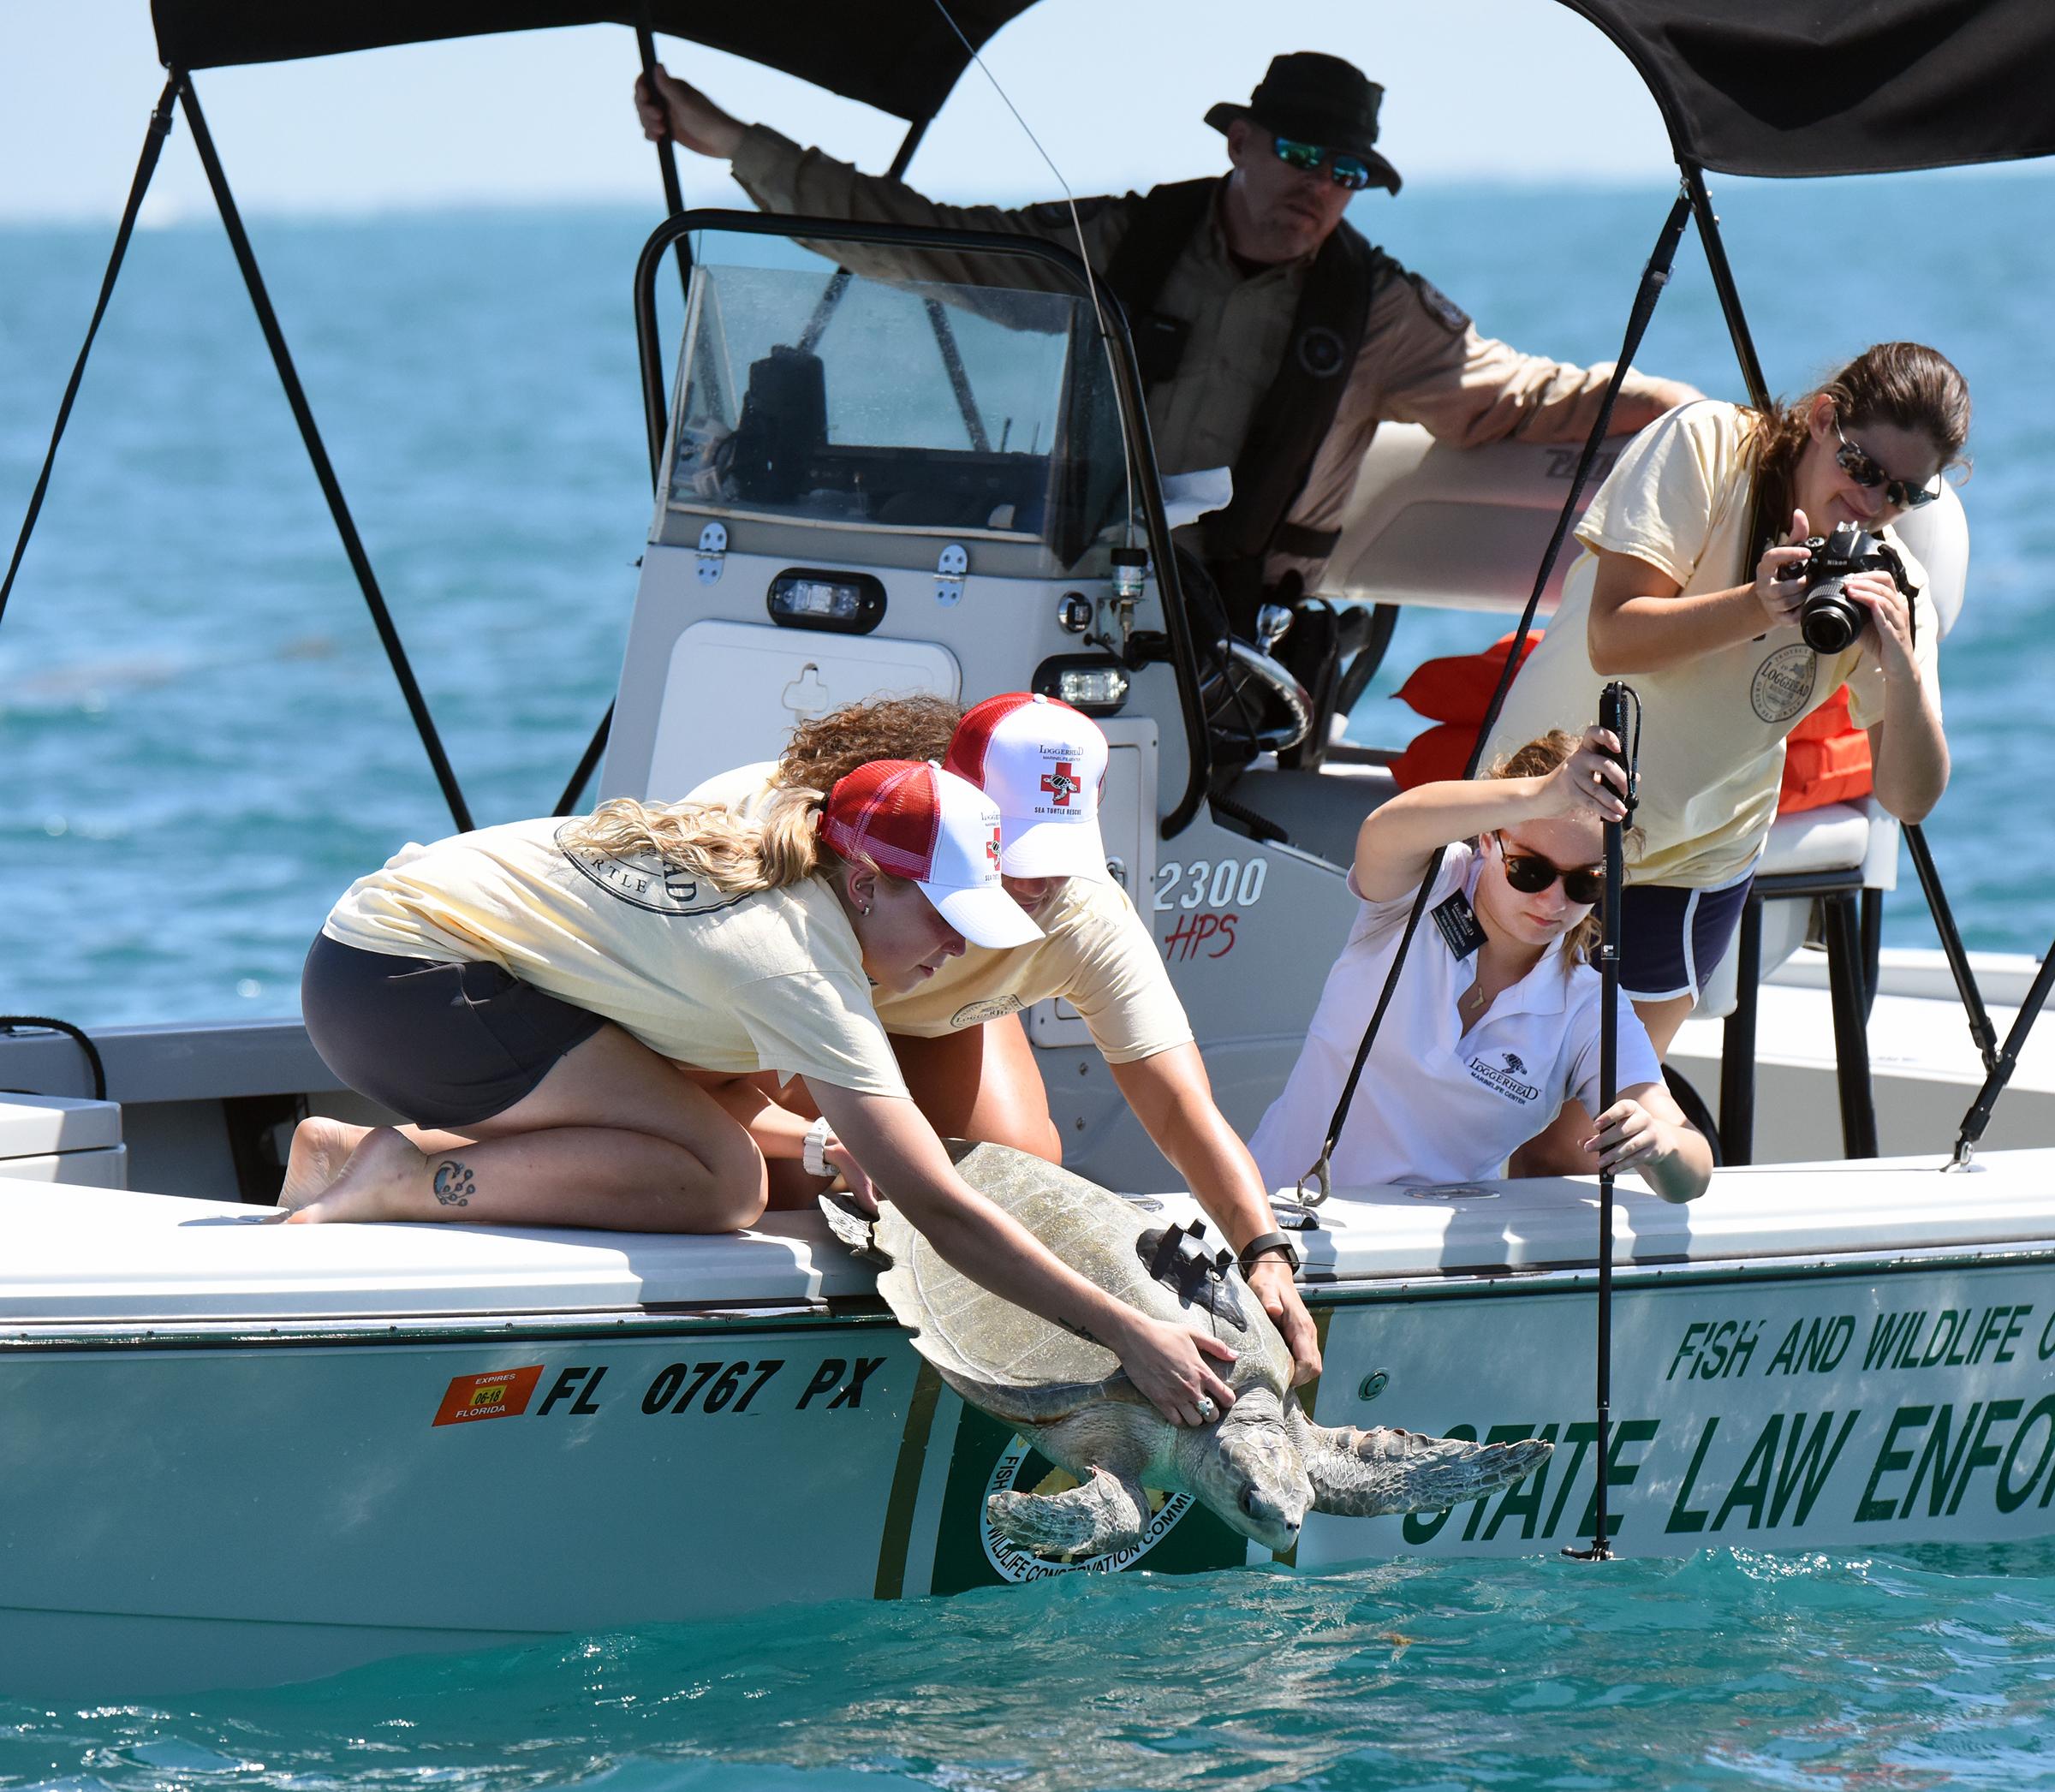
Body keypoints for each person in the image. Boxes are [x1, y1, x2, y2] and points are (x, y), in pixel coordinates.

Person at [279, 760, 1240, 1429]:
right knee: (721, 1181)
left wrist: (824, 1145)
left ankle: (347, 1157)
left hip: (397, 956)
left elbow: (692, 1083)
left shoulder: (802, 883)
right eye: (947, 914)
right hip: (403, 983)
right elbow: (939, 1208)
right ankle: (403, 1174)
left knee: (721, 1149)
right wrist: (1127, 1330)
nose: (959, 947)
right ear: (866, 884)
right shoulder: (797, 958)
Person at [633, 51, 1699, 627]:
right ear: (1240, 141)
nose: (1319, 188)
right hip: (1061, 589)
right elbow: (924, 245)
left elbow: (1528, 400)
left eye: (1345, 173)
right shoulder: (1122, 243)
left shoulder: (1374, 309)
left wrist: (1698, 417)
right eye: (1299, 155)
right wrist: (731, 141)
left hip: (1230, 630)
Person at [692, 691, 1324, 1382]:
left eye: (1061, 849)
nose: (1038, 882)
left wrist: (1264, 1251)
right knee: (784, 1187)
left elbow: (1178, 1104)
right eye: (1017, 848)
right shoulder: (802, 864)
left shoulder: (1083, 913)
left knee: (1014, 1178)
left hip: (924, 1022)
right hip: (758, 1010)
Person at [1482, 342, 1969, 1168]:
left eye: (1903, 492)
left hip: (1691, 855)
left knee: (1571, 1145)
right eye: (1861, 467)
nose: (1872, 501)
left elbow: (1910, 797)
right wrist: (1758, 604)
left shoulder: (1890, 584)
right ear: (1823, 419)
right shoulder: (1707, 447)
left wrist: (1903, 665)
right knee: (1468, 1095)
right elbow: (1613, 635)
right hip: (1537, 826)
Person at [1248, 726, 1712, 1202]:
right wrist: (1542, 794)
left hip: (1413, 1245)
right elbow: (1385, 829)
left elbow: (1693, 1170)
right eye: (1529, 871)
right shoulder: (1430, 882)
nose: (1553, 902)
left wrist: (1660, 1145)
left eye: (1585, 883)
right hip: (1269, 1211)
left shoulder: (1589, 1008)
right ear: (1489, 838)